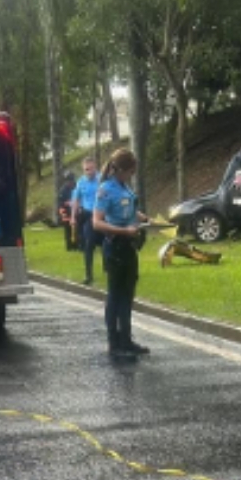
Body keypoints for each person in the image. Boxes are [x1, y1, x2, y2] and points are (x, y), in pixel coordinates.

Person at [93, 148, 150, 360]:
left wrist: (143, 218)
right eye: (131, 172)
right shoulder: (106, 190)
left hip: (128, 246)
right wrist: (124, 230)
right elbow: (97, 222)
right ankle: (113, 341)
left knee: (128, 292)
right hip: (114, 245)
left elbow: (128, 208)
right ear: (122, 170)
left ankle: (126, 338)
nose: (132, 175)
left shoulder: (124, 187)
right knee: (115, 295)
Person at [70, 157, 102, 285]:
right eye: (86, 170)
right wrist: (72, 217)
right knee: (88, 244)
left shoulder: (101, 179)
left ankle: (109, 269)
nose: (89, 172)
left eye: (91, 169)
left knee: (107, 243)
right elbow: (76, 200)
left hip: (102, 215)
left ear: (95, 168)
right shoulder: (81, 182)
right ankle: (89, 275)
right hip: (89, 215)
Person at [57, 171, 77, 251]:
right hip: (65, 211)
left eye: (71, 180)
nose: (70, 182)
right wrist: (68, 203)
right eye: (68, 180)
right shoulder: (63, 190)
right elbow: (60, 202)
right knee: (68, 229)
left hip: (74, 210)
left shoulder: (76, 187)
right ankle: (69, 246)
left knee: (75, 228)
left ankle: (76, 244)